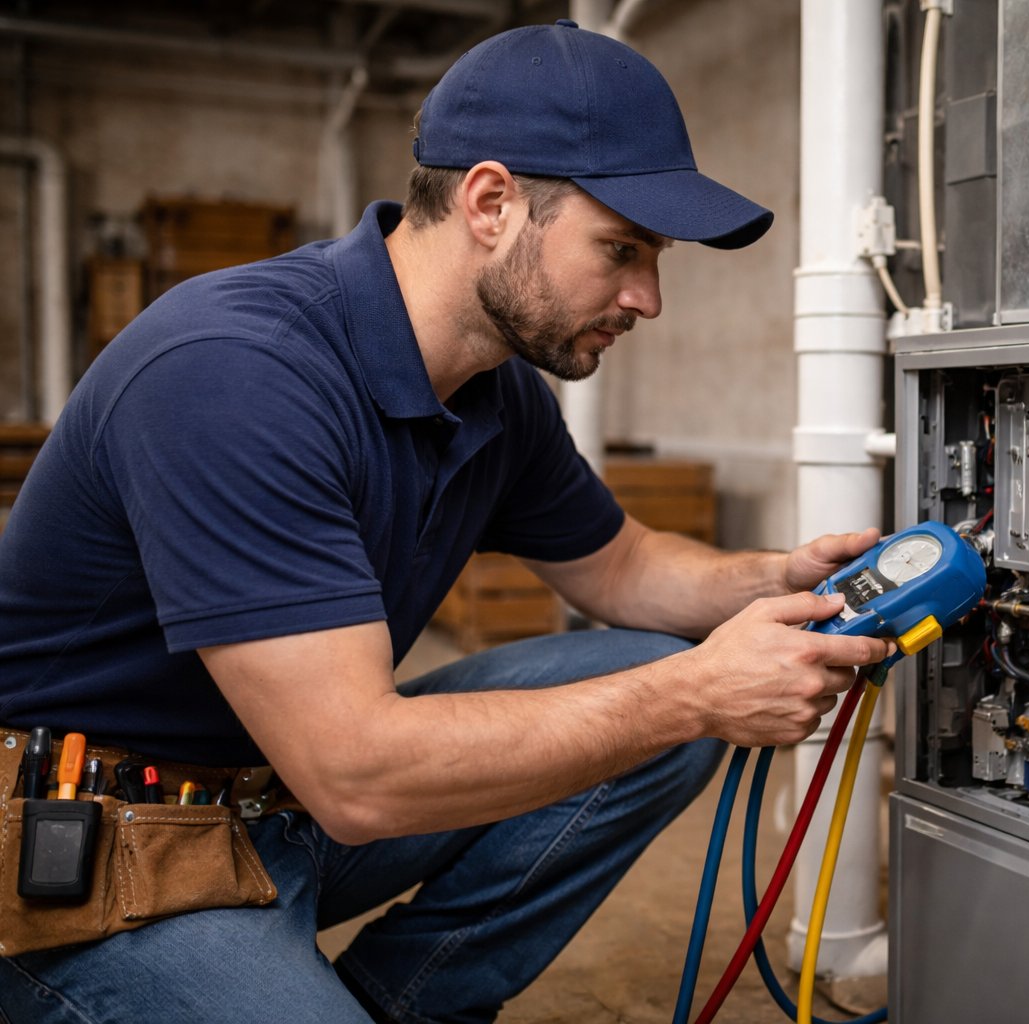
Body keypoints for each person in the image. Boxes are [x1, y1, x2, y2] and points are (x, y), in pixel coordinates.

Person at [0, 22, 890, 1024]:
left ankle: (404, 1005)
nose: (648, 297)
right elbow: (356, 774)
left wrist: (783, 580)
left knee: (639, 677)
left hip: (270, 804)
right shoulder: (234, 375)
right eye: (621, 250)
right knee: (666, 697)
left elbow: (622, 567)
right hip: (93, 847)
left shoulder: (496, 393)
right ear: (492, 202)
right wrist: (695, 691)